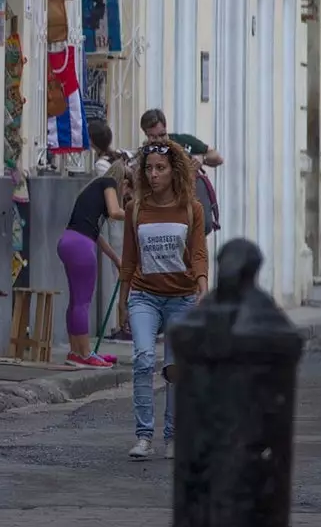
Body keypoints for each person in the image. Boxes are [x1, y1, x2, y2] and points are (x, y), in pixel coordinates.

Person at [119, 138, 209, 461]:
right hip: (144, 296)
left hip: (182, 299)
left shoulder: (191, 209)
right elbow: (128, 260)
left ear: (174, 172)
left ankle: (173, 437)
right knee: (143, 359)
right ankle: (144, 437)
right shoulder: (136, 209)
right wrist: (122, 301)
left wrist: (202, 284)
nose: (154, 174)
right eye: (149, 169)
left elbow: (198, 253)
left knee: (176, 369)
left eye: (161, 168)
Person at [57, 121, 129, 367]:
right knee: (83, 301)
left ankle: (77, 352)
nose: (126, 192)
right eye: (127, 188)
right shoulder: (108, 183)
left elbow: (95, 233)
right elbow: (115, 211)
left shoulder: (93, 192)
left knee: (76, 299)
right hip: (79, 246)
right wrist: (138, 212)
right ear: (123, 181)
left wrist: (116, 259)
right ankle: (85, 354)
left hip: (70, 241)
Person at [139, 108, 223, 234]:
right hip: (164, 207)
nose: (159, 140)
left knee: (202, 226)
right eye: (153, 136)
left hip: (189, 196)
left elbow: (217, 157)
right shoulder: (144, 153)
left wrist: (202, 158)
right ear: (146, 134)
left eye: (162, 135)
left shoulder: (183, 142)